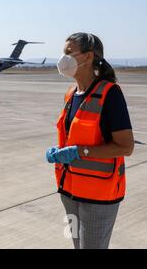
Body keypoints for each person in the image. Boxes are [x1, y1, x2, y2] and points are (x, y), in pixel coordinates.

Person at [46, 33, 134, 249]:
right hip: (70, 189)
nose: (62, 58)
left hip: (98, 194)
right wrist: (60, 151)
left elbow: (126, 146)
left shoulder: (109, 94)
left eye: (68, 52)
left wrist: (80, 151)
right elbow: (75, 136)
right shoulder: (70, 95)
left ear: (87, 57)